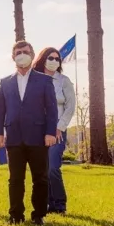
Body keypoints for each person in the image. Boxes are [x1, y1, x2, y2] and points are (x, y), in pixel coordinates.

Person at [0, 40, 58, 226]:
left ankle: (38, 215)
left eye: (26, 51)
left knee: (40, 178)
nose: (22, 54)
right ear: (13, 56)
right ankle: (15, 215)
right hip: (13, 137)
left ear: (32, 54)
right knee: (15, 179)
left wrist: (50, 132)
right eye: (19, 52)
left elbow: (51, 109)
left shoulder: (45, 80)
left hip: (38, 136)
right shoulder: (5, 82)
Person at [33, 47, 76, 215]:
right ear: (43, 59)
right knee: (42, 169)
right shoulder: (34, 80)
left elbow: (70, 107)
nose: (54, 61)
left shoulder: (64, 81)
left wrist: (60, 127)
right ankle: (47, 204)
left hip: (57, 129)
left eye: (57, 59)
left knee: (53, 168)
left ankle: (59, 204)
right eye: (50, 57)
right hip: (37, 130)